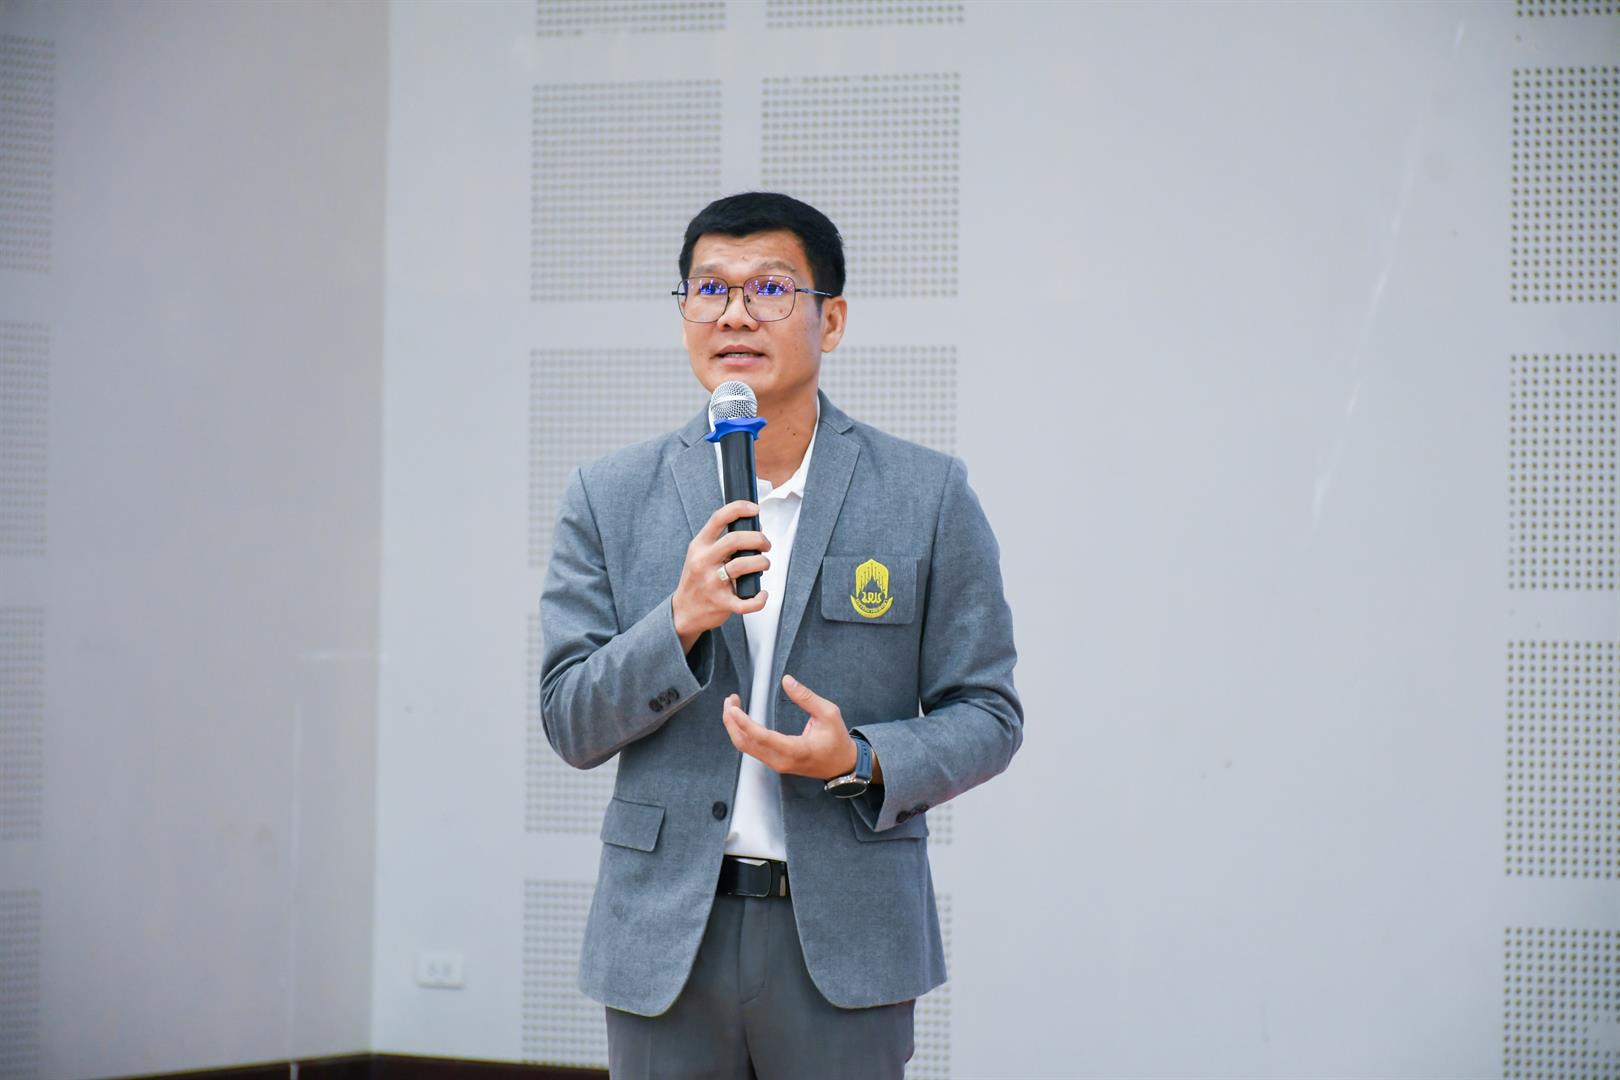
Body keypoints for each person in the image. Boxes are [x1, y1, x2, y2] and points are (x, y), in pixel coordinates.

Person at [539, 191, 1022, 1078]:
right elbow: (570, 720)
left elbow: (988, 713)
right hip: (665, 940)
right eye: (708, 289)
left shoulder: (926, 495)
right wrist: (679, 619)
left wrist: (861, 758)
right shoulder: (608, 497)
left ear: (830, 320)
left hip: (846, 940)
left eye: (768, 288)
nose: (733, 313)